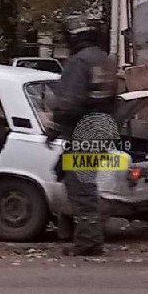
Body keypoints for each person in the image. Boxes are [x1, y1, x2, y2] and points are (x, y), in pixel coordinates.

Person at [46, 14, 118, 257]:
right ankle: (80, 233)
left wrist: (54, 128)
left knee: (80, 185)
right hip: (101, 129)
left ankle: (89, 241)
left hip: (84, 131)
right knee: (72, 176)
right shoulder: (104, 59)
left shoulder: (79, 62)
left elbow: (69, 103)